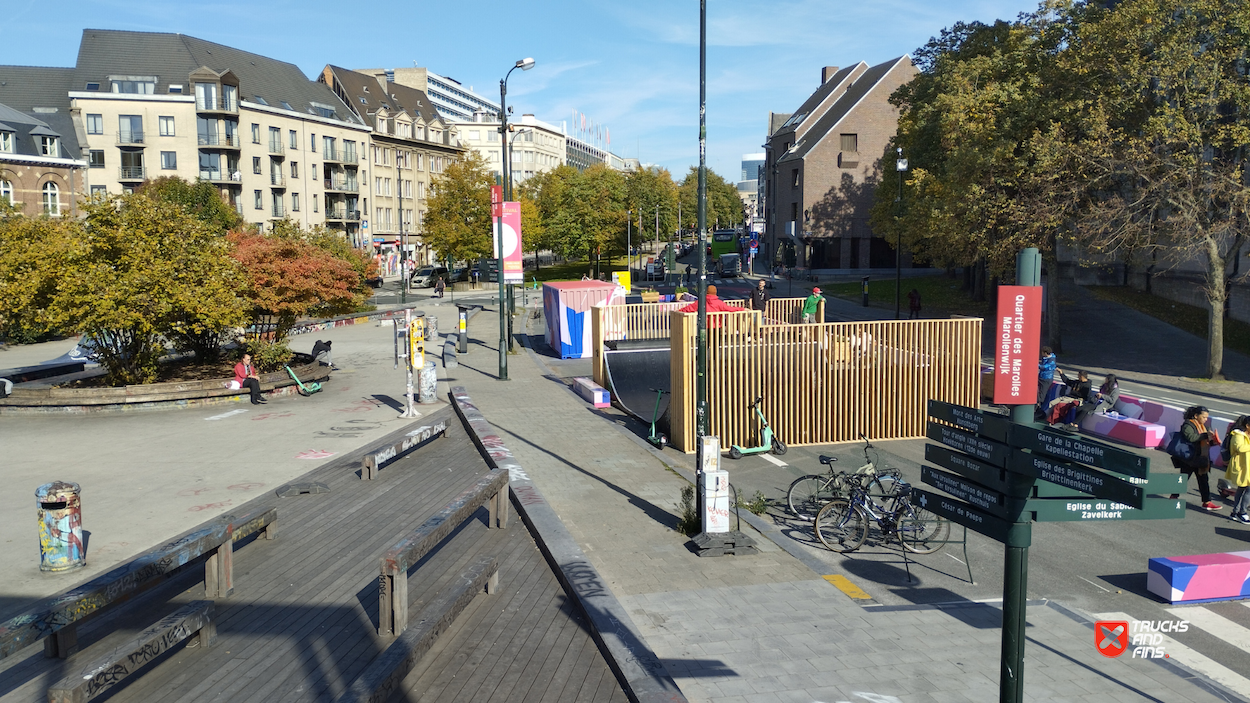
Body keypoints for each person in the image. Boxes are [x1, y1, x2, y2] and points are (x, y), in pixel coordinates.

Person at [1170, 405, 1221, 510]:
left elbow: (1206, 442)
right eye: (1204, 417)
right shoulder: (1188, 425)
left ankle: (1207, 501)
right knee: (1184, 478)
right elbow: (1191, 438)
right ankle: (1174, 496)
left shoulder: (1204, 427)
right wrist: (1206, 435)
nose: (1205, 420)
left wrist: (1213, 441)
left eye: (1207, 418)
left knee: (1203, 480)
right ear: (1196, 416)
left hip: (1201, 459)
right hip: (1189, 458)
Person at [1226, 416, 1250, 522]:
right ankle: (1242, 512)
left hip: (1248, 466)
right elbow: (1239, 448)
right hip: (1242, 466)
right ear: (1247, 426)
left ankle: (1236, 512)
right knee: (1246, 489)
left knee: (1243, 489)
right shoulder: (1238, 435)